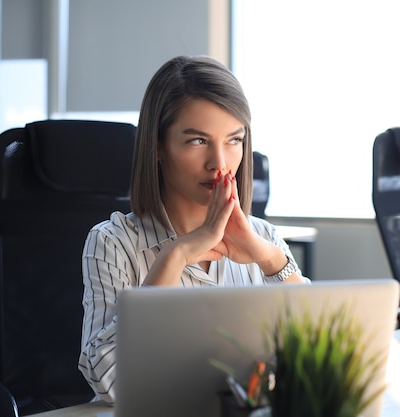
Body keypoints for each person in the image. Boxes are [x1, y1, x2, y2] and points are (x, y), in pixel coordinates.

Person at [78, 55, 310, 405]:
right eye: (198, 141)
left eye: (234, 140)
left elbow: (316, 359)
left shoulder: (264, 238)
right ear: (157, 146)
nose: (219, 162)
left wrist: (271, 259)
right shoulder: (112, 243)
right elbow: (113, 382)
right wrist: (176, 255)